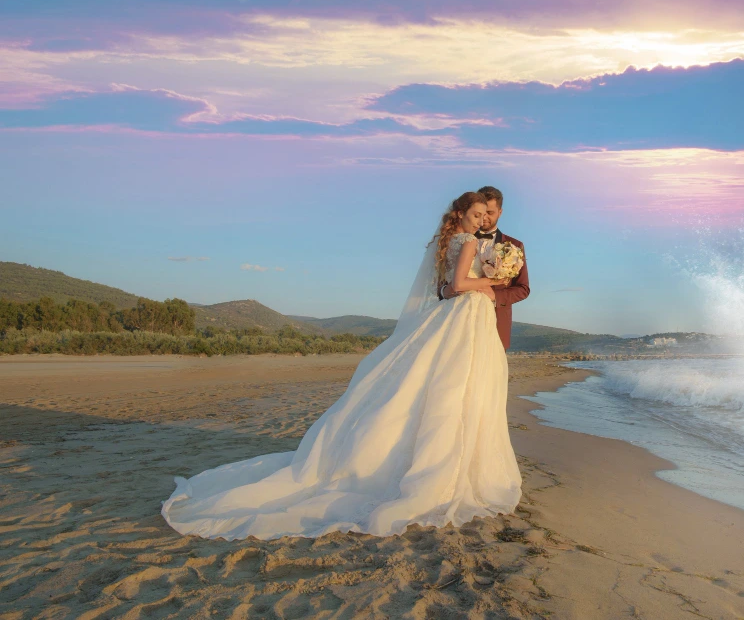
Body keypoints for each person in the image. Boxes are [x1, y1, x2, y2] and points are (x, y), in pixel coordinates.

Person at [161, 192, 522, 539]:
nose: (480, 221)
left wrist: (488, 281)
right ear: (461, 213)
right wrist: (493, 280)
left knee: (446, 388)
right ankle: (449, 470)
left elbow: (445, 288)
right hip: (464, 316)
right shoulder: (470, 243)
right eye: (475, 215)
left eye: (484, 216)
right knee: (455, 390)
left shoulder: (453, 242)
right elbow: (457, 285)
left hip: (460, 317)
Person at [440, 186, 529, 349]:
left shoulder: (515, 246)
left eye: (490, 212)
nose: (484, 219)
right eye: (480, 213)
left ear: (500, 212)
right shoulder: (459, 239)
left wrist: (495, 295)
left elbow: (523, 288)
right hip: (457, 318)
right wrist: (445, 291)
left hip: (495, 324)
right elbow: (443, 280)